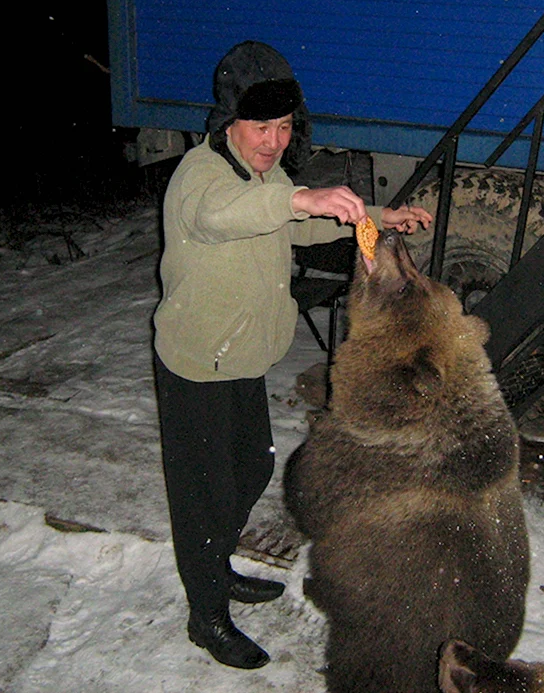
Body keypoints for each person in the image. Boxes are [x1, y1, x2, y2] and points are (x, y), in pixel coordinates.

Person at [152, 40, 432, 670]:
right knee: (204, 492)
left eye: (283, 128)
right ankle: (206, 613)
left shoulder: (265, 175)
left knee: (249, 468)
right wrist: (300, 197)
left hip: (244, 358)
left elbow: (290, 221)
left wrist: (377, 216)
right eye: (260, 127)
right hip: (198, 361)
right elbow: (222, 217)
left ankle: (216, 565)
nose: (273, 142)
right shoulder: (200, 175)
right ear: (229, 122)